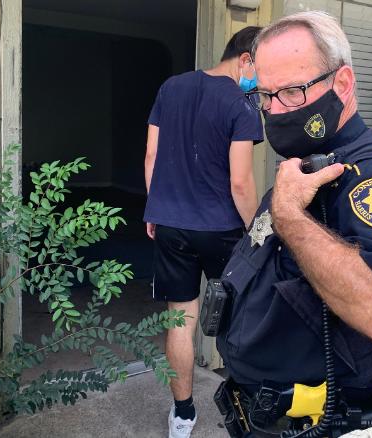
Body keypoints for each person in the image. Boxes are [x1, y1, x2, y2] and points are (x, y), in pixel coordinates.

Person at [213, 11, 372, 437]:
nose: (275, 110)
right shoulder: (307, 165)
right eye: (265, 95)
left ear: (342, 84)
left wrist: (289, 218)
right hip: (265, 415)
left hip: (331, 421)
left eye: (293, 92)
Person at [144, 26, 264, 438]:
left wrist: (154, 207)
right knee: (238, 316)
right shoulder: (242, 104)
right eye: (261, 67)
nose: (262, 80)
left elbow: (151, 156)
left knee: (181, 319)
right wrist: (256, 232)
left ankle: (181, 415)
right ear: (246, 58)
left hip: (172, 225)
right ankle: (248, 403)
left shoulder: (171, 87)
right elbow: (241, 184)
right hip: (223, 230)